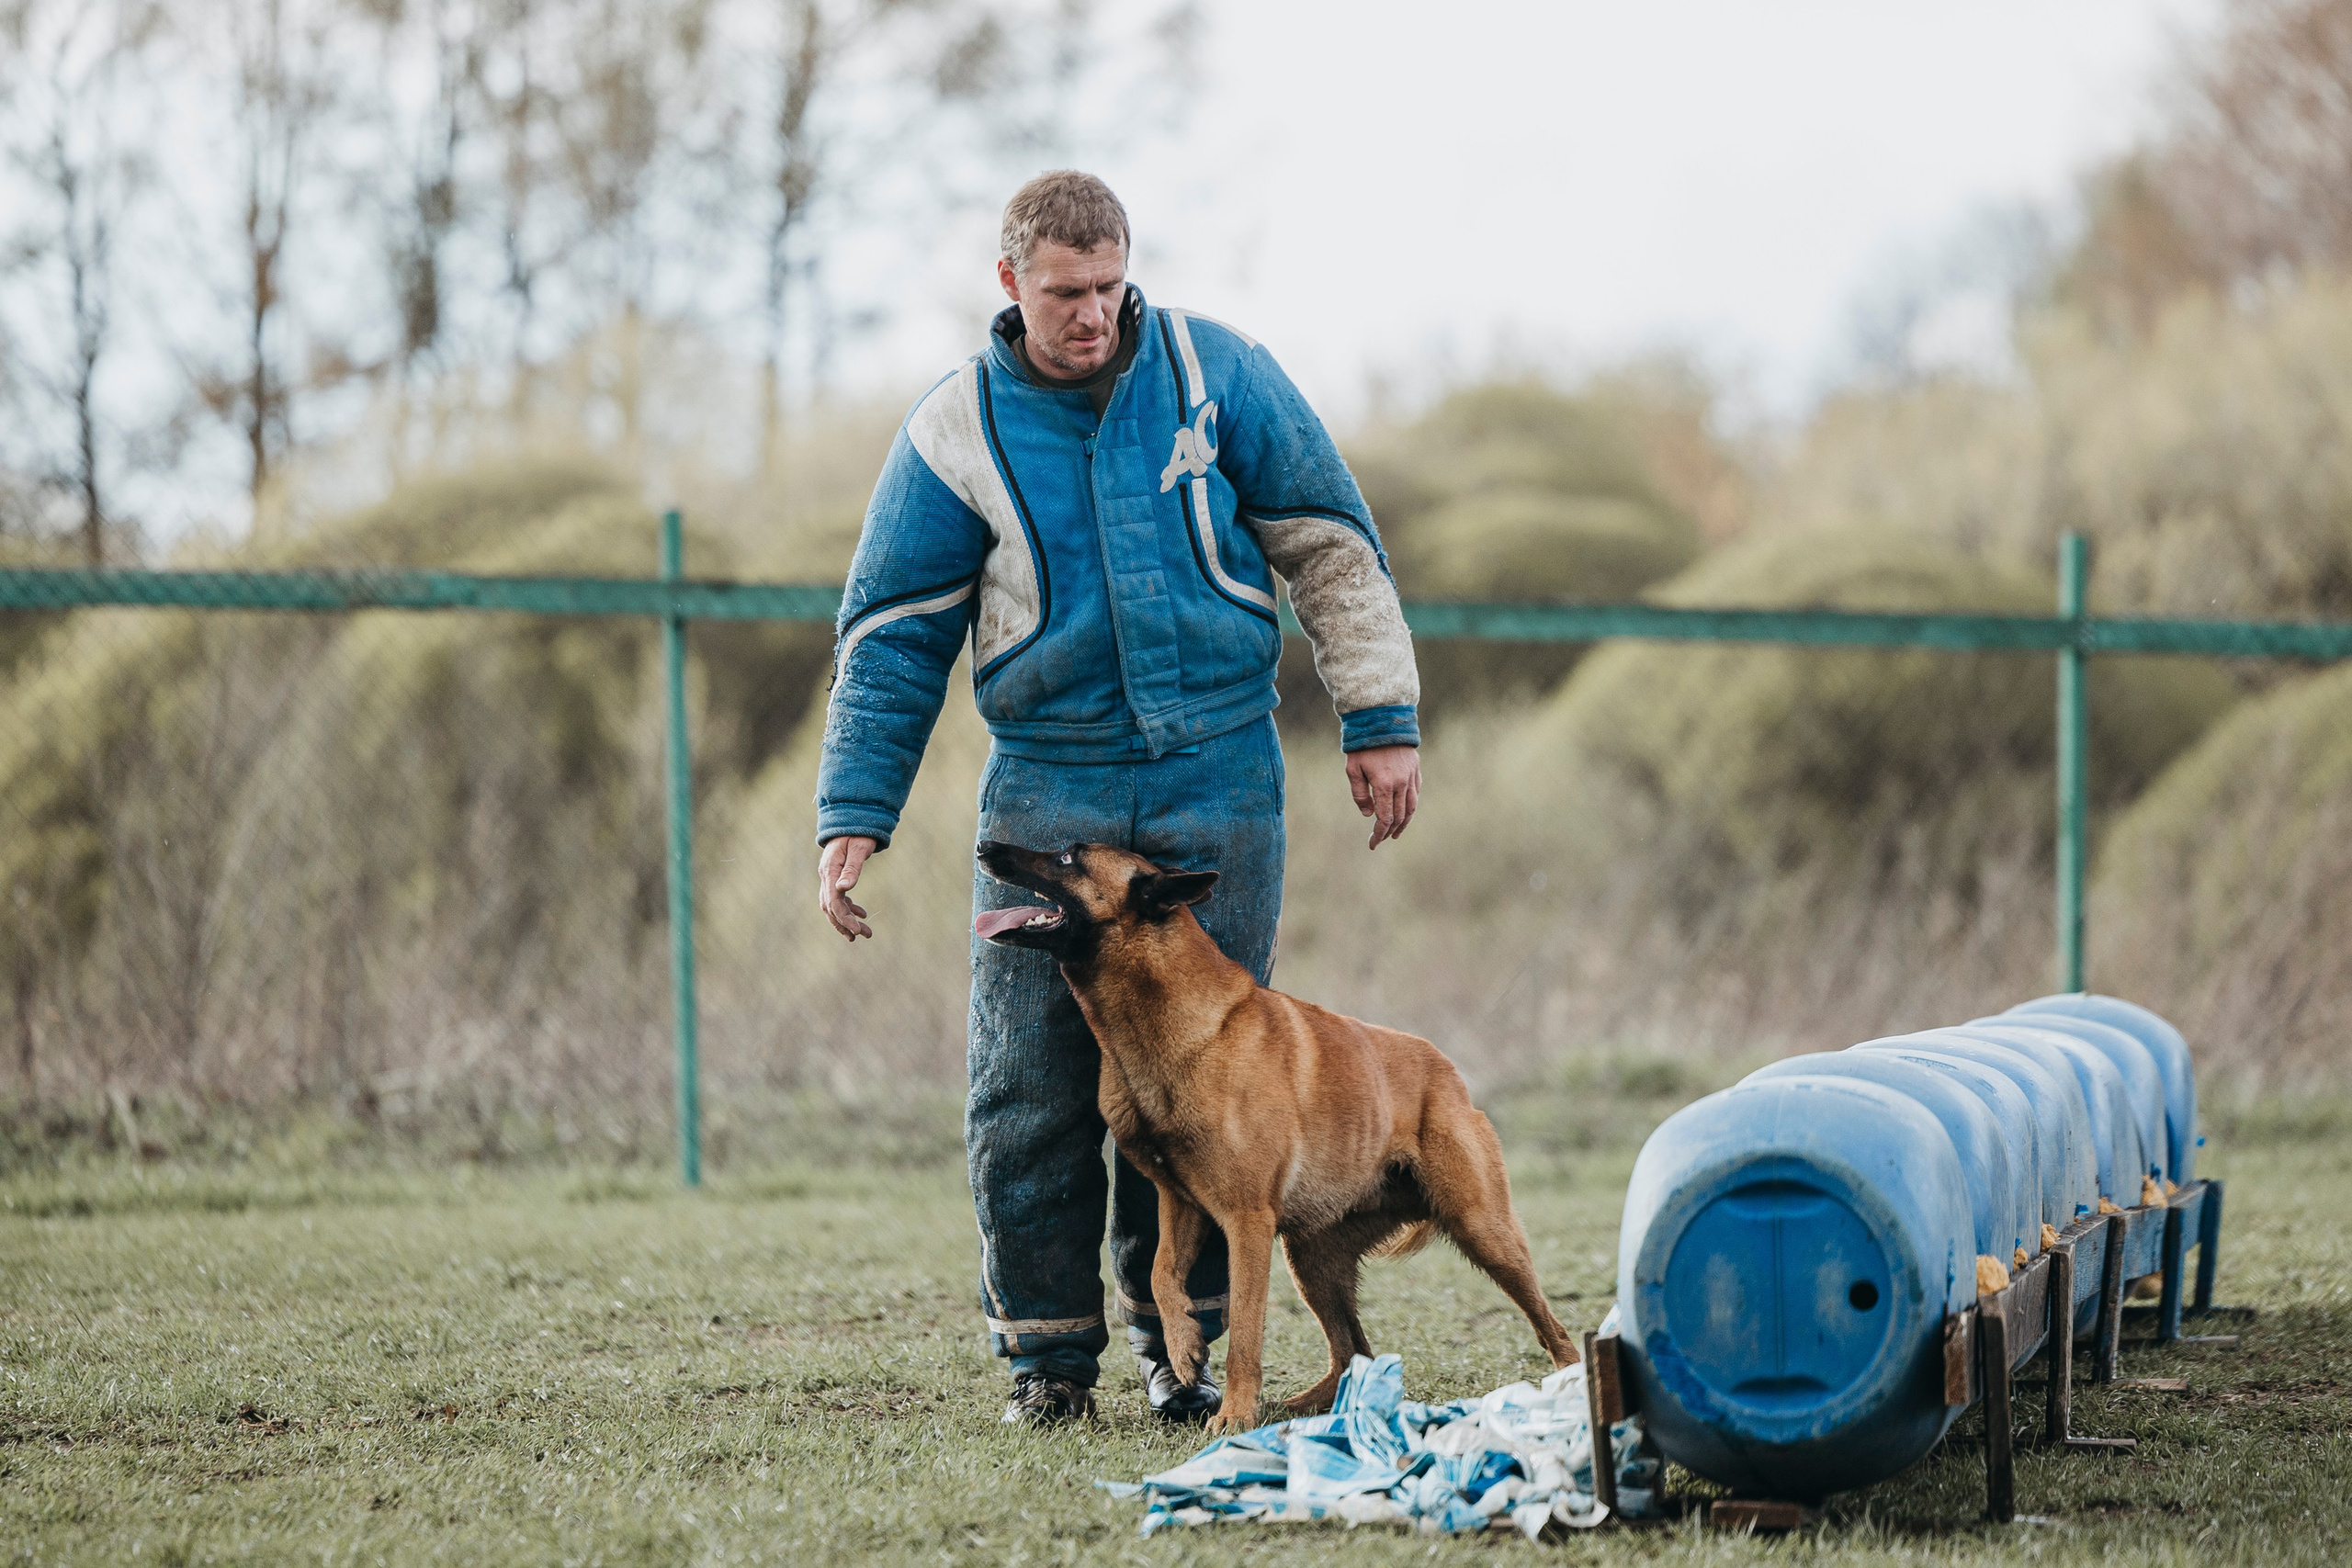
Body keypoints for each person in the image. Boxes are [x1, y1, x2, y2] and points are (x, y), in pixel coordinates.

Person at [813, 170, 1422, 1427]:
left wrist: (1380, 721)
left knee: (1209, 1094)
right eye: (1063, 292)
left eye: (1108, 286)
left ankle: (1179, 1354)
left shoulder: (1220, 376)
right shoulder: (952, 432)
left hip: (1222, 776)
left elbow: (1331, 544)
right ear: (1010, 285)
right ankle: (1048, 1361)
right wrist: (852, 816)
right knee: (1032, 1088)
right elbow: (890, 639)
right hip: (1051, 780)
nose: (1092, 313)